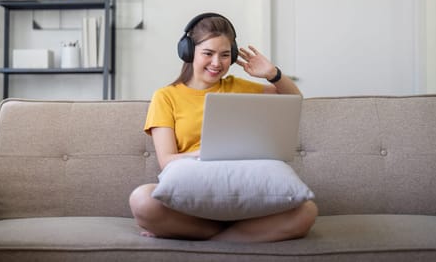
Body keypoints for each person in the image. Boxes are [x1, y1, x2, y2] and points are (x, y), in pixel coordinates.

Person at [129, 13, 318, 243]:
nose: (217, 63)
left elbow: (293, 99)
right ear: (188, 52)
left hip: (244, 189)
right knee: (141, 200)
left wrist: (272, 74)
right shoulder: (166, 96)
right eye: (208, 53)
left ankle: (211, 240)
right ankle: (234, 236)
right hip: (194, 190)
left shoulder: (238, 87)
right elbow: (167, 160)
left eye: (225, 55)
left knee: (307, 212)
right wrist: (204, 153)